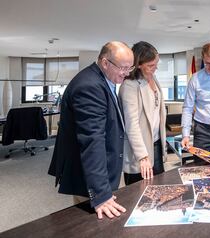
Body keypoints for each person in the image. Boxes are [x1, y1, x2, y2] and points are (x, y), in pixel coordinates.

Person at [48, 41, 134, 219]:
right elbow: (92, 141)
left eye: (130, 68)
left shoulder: (104, 79)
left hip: (103, 173)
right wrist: (101, 194)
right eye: (123, 68)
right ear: (105, 63)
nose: (126, 73)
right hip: (89, 179)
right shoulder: (89, 86)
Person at [119, 41, 166, 184]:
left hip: (156, 143)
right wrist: (142, 156)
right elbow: (131, 124)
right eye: (151, 65)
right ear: (138, 64)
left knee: (159, 186)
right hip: (140, 149)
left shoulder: (153, 78)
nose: (155, 68)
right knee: (140, 191)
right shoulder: (129, 86)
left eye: (156, 64)